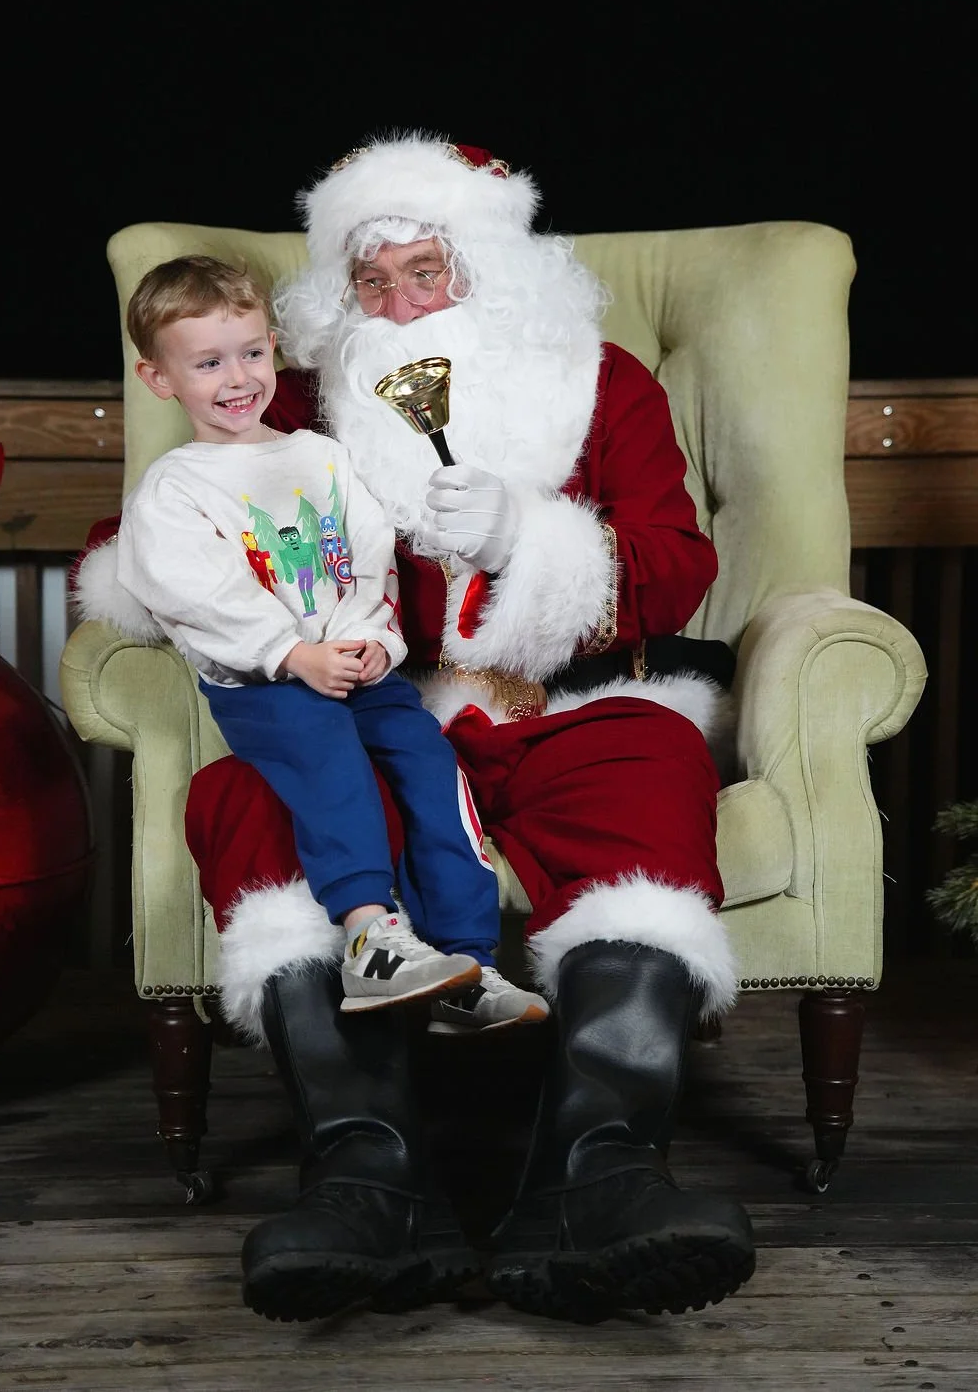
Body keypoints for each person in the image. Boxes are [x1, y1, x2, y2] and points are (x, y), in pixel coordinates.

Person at [76, 133, 755, 1326]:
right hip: (364, 707)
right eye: (370, 281)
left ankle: (597, 1177)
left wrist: (527, 540)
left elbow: (679, 565)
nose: (398, 306)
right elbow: (155, 543)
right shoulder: (284, 400)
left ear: (485, 270)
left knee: (651, 768)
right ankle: (369, 1181)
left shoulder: (605, 383)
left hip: (573, 704)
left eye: (425, 272)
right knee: (247, 801)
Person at [113, 255, 549, 1029]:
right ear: (159, 379)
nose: (237, 377)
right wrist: (292, 653)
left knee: (428, 765)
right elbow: (197, 592)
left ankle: (469, 962)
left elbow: (369, 549)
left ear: (273, 345)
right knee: (334, 768)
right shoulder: (176, 487)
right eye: (208, 363)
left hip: (354, 664)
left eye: (251, 352)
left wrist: (371, 636)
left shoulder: (319, 456)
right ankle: (371, 939)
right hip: (268, 684)